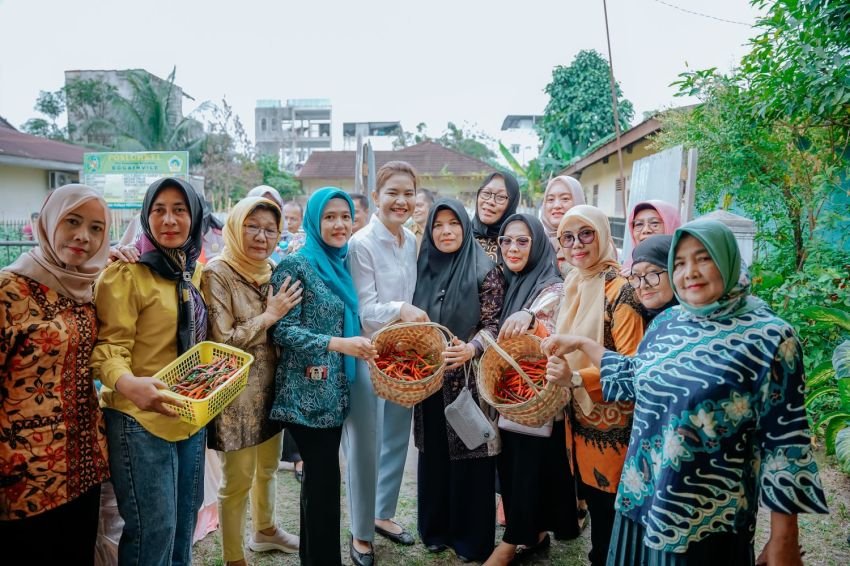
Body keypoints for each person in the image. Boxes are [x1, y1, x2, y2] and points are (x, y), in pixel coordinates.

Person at [543, 219, 829, 565]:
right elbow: (635, 378)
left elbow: (785, 443)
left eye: (703, 258)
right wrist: (582, 345)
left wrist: (783, 539)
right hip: (642, 498)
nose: (689, 272)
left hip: (705, 516)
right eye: (679, 263)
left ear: (727, 260)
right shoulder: (668, 323)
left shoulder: (768, 337)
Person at [90, 177, 208, 566]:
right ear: (145, 217)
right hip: (138, 419)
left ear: (195, 217)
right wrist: (129, 384)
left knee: (182, 527)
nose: (169, 220)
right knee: (152, 533)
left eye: (179, 210)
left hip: (189, 418)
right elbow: (109, 348)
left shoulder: (192, 273)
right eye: (159, 210)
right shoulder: (125, 274)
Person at [0, 184, 111, 564]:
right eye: (73, 222)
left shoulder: (89, 285)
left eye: (97, 228)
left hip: (84, 466)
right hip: (24, 472)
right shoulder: (9, 290)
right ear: (48, 223)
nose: (84, 236)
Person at [270, 188, 377, 566]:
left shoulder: (345, 263)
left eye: (345, 216)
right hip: (305, 396)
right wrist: (338, 344)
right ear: (316, 221)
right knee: (325, 486)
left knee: (320, 486)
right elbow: (282, 330)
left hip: (336, 393)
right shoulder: (296, 265)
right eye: (330, 217)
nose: (339, 224)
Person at [201, 196, 304, 566]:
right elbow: (221, 342)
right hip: (236, 394)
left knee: (267, 467)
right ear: (236, 226)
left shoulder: (273, 269)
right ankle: (233, 557)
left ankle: (265, 530)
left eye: (270, 229)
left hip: (273, 388)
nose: (261, 236)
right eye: (252, 226)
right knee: (237, 480)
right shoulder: (217, 272)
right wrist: (269, 316)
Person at [412, 198, 505, 563]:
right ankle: (434, 530)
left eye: (454, 223)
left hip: (468, 379)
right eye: (438, 224)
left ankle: (470, 538)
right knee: (432, 453)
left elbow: (494, 324)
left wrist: (472, 347)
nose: (446, 231)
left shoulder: (486, 269)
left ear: (465, 227)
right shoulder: (422, 266)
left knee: (471, 454)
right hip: (429, 378)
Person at [483, 214, 579, 566]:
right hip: (512, 392)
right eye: (506, 241)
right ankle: (535, 533)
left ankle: (511, 542)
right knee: (518, 464)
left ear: (537, 244)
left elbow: (547, 311)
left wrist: (529, 316)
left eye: (522, 241)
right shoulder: (507, 281)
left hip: (537, 394)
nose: (512, 248)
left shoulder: (551, 284)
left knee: (525, 466)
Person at [344, 161, 427, 566]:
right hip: (369, 352)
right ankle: (360, 533)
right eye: (392, 192)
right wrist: (402, 309)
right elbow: (365, 310)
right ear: (376, 197)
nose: (401, 200)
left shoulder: (410, 240)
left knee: (396, 434)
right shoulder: (361, 243)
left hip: (404, 353)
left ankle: (383, 514)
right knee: (365, 444)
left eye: (408, 193)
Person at [553, 205, 645, 566]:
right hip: (579, 418)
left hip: (613, 423)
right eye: (568, 237)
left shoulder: (621, 291)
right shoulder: (574, 282)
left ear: (604, 235)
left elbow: (632, 363)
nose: (577, 244)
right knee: (594, 501)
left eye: (586, 234)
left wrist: (578, 378)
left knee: (611, 510)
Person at [539, 175, 585, 275]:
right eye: (550, 200)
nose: (556, 206)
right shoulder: (536, 242)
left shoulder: (592, 241)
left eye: (565, 199)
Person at [626, 235, 678, 321]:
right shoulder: (632, 317)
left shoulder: (694, 323)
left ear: (674, 273)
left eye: (652, 273)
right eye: (637, 276)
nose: (643, 285)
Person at [622, 200, 682, 272]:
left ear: (672, 225)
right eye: (639, 224)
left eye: (654, 223)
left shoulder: (682, 269)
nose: (646, 230)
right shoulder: (626, 270)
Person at [472, 172, 520, 260]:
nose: (490, 201)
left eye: (501, 197)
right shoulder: (461, 236)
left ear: (512, 204)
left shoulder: (518, 244)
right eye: (486, 193)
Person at [411, 187, 435, 253]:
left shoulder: (440, 231)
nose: (415, 211)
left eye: (419, 205)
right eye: (412, 207)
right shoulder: (407, 235)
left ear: (431, 206)